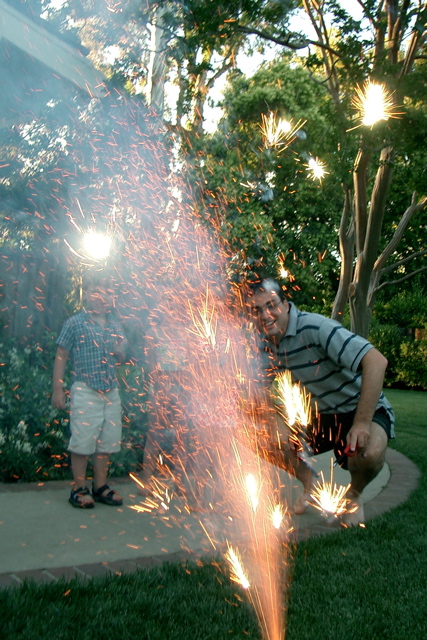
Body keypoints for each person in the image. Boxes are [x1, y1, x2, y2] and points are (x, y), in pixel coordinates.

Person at [249, 277, 395, 526]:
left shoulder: (315, 328)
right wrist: (272, 422)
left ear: (285, 304)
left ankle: (354, 497)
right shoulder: (264, 345)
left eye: (271, 305)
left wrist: (361, 423)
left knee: (368, 454)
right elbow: (256, 396)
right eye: (257, 310)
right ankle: (310, 483)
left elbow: (376, 361)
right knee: (258, 435)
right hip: (320, 418)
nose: (265, 314)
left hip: (359, 409)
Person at [52, 270, 127, 508]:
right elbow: (61, 355)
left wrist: (120, 350)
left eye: (107, 292)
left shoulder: (115, 325)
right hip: (85, 389)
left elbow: (122, 356)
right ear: (86, 295)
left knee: (106, 442)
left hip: (110, 391)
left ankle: (100, 486)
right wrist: (57, 389)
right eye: (95, 291)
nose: (101, 296)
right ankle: (79, 487)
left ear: (113, 298)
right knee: (83, 442)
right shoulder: (75, 323)